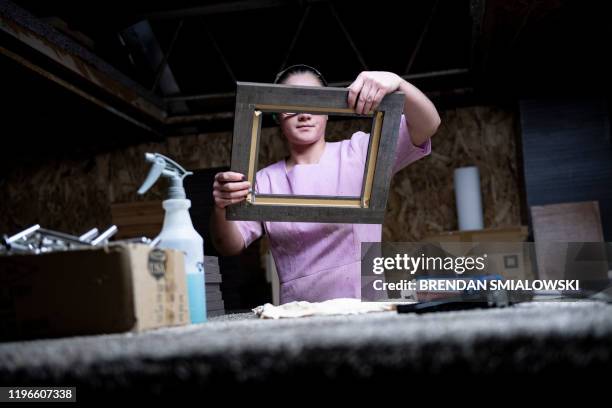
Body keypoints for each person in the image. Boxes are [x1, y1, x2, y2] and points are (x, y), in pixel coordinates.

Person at [210, 64, 440, 304]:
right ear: (276, 113)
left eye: (314, 101)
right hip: (300, 319)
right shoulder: (265, 182)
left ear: (329, 109)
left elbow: (428, 125)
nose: (304, 113)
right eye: (290, 104)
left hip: (368, 311)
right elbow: (228, 245)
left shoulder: (361, 154)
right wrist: (220, 206)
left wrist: (397, 82)